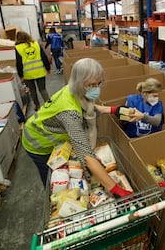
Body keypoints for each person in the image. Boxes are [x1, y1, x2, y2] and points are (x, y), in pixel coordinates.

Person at [21, 57, 132, 198]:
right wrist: (116, 189)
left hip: (50, 133)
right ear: (80, 83)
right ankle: (51, 195)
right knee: (54, 179)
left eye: (99, 83)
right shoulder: (70, 114)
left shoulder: (73, 90)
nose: (96, 89)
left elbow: (87, 106)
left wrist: (113, 110)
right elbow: (87, 157)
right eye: (91, 85)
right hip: (38, 143)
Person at [97, 78, 164, 138]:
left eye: (158, 96)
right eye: (154, 96)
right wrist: (123, 120)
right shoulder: (132, 100)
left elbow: (157, 121)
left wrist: (143, 116)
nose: (156, 99)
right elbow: (119, 113)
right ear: (145, 93)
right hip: (132, 138)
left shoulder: (158, 105)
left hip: (150, 139)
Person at [15, 31, 50, 111]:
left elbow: (19, 63)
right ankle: (48, 104)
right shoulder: (36, 44)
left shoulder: (18, 48)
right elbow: (44, 56)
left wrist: (21, 75)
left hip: (28, 73)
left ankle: (37, 106)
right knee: (43, 89)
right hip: (40, 71)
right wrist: (48, 68)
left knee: (32, 90)